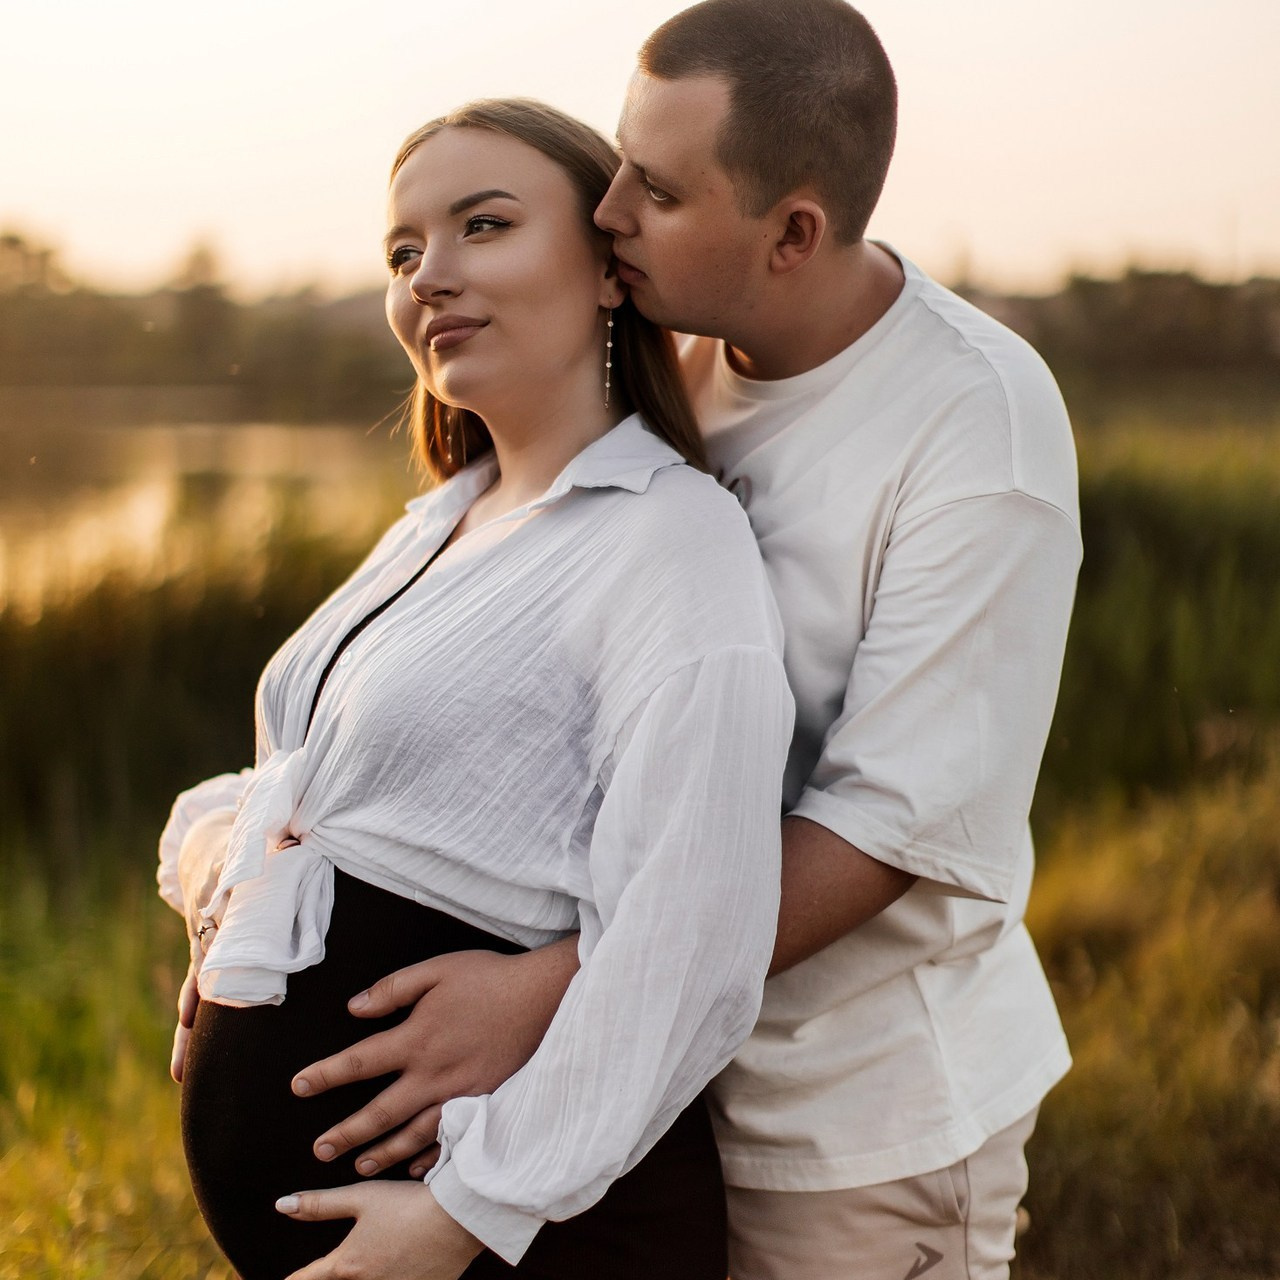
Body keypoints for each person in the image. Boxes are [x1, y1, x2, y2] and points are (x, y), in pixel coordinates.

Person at [175, 3, 1082, 1276]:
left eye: (650, 191)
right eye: (613, 166)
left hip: (848, 1110)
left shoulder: (970, 428)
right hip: (663, 1080)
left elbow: (889, 823)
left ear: (791, 233)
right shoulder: (678, 375)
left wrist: (553, 986)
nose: (606, 213)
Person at [158, 97, 795, 1280]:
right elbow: (299, 785)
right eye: (402, 252)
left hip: (536, 1236)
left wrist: (465, 1211)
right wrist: (215, 874)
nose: (428, 277)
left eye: (482, 226)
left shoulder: (669, 541)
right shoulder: (443, 521)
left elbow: (689, 935)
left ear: (610, 272)